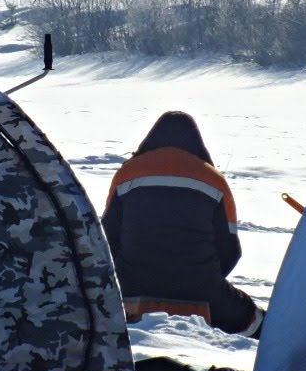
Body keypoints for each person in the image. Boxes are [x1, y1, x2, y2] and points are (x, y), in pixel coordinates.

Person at [102, 111, 264, 337]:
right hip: (201, 287)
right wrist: (201, 276)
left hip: (130, 285)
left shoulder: (127, 173)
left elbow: (105, 239)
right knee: (255, 321)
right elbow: (230, 250)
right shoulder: (214, 180)